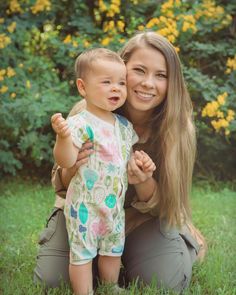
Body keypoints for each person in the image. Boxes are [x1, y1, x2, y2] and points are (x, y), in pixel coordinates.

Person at [34, 32, 207, 293]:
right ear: (122, 66)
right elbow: (61, 184)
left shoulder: (177, 128)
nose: (149, 83)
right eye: (139, 70)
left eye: (161, 75)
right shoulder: (87, 112)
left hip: (142, 220)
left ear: (172, 83)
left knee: (164, 282)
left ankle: (180, 241)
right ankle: (98, 259)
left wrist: (145, 181)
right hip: (86, 211)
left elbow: (168, 202)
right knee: (52, 281)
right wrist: (73, 167)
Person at [50, 48, 156, 295]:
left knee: (112, 249)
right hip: (85, 207)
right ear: (82, 87)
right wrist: (63, 138)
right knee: (82, 253)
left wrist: (139, 162)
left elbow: (124, 157)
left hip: (113, 206)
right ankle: (83, 291)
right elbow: (66, 161)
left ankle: (111, 286)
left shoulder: (124, 126)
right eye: (107, 82)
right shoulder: (80, 123)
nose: (116, 88)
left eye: (121, 82)